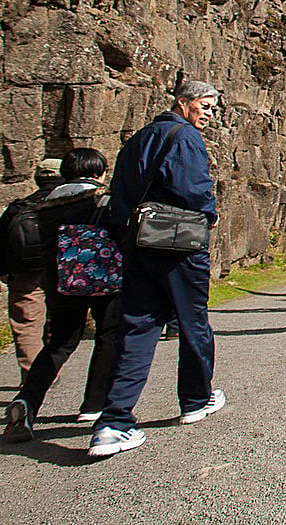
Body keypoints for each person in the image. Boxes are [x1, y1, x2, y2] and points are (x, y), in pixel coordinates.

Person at [88, 80, 224, 458]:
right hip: (178, 245)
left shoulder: (137, 139)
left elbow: (120, 193)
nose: (210, 114)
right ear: (184, 103)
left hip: (139, 244)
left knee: (137, 326)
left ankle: (113, 421)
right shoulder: (185, 138)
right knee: (193, 321)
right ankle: (196, 399)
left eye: (213, 108)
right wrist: (209, 215)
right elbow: (194, 189)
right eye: (206, 106)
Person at [4, 149, 121, 442]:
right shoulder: (104, 201)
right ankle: (94, 405)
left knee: (59, 343)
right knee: (108, 336)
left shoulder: (44, 205)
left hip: (61, 281)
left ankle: (28, 400)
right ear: (99, 173)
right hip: (103, 277)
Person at [0, 158, 61, 380]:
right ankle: (52, 366)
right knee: (58, 319)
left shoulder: (19, 207)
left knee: (27, 324)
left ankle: (33, 376)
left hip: (24, 271)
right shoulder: (71, 205)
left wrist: (2, 271)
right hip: (61, 269)